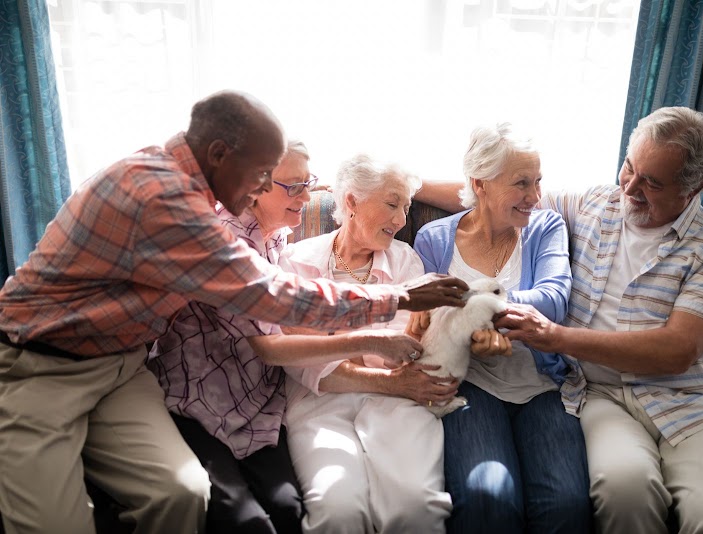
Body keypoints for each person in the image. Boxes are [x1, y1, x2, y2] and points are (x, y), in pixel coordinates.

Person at [0, 90, 467, 534]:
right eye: (264, 173)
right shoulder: (163, 200)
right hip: (43, 364)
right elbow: (273, 295)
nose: (267, 186)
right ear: (220, 154)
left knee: (180, 495)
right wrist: (399, 300)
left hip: (121, 367)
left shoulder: (220, 203)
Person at [495, 107, 703, 533]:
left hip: (694, 402)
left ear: (694, 189)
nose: (631, 189)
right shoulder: (596, 203)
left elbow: (676, 351)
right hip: (603, 395)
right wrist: (407, 188)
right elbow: (503, 197)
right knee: (624, 491)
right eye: (629, 169)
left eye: (652, 182)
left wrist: (558, 337)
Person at [278, 154, 484, 534]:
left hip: (396, 401)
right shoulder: (295, 261)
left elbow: (406, 348)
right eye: (392, 204)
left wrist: (334, 339)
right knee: (338, 509)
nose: (401, 220)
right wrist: (374, 359)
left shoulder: (407, 263)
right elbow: (301, 359)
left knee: (415, 506)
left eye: (406, 207)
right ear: (352, 202)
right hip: (320, 401)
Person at [412, 123, 592, 533]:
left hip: (542, 383)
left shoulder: (546, 227)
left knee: (567, 503)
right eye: (521, 183)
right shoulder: (433, 240)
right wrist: (473, 330)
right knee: (487, 498)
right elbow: (431, 320)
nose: (535, 195)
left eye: (538, 181)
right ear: (480, 184)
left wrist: (481, 312)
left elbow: (553, 301)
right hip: (470, 383)